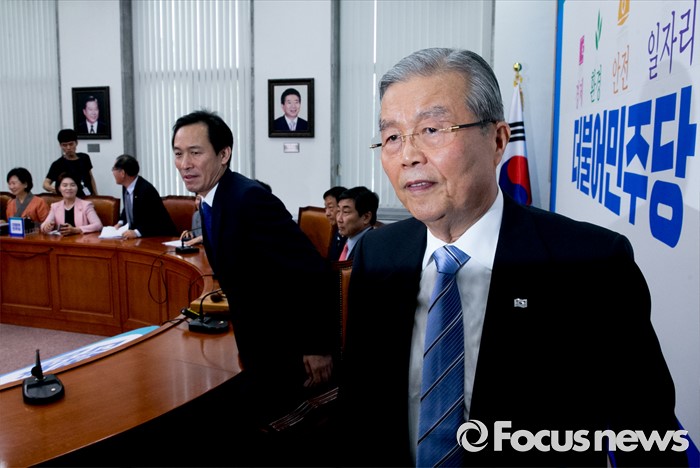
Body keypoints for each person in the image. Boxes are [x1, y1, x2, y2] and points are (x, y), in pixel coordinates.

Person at [339, 48, 687, 467]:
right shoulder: (379, 254)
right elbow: (360, 408)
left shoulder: (592, 264)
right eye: (392, 137)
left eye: (431, 129)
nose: (408, 155)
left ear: (498, 140)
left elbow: (648, 437)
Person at [172, 110, 338, 462]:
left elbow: (311, 272)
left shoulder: (248, 199)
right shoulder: (213, 200)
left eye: (195, 152)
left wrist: (317, 346)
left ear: (223, 154)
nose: (185, 163)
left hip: (288, 345)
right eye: (178, 153)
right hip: (258, 342)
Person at [111, 154, 177, 239]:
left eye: (114, 169)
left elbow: (153, 219)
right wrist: (120, 222)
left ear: (122, 173)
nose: (113, 172)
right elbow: (128, 207)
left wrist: (136, 232)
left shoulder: (146, 190)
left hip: (160, 237)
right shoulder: (126, 186)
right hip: (142, 237)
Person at [43, 129, 98, 197]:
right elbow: (45, 184)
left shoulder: (85, 158)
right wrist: (58, 190)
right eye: (64, 145)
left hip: (88, 197)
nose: (68, 148)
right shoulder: (58, 164)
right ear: (60, 145)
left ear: (76, 143)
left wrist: (96, 195)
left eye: (71, 144)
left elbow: (91, 177)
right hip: (70, 199)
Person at [335, 186, 378, 261]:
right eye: (338, 211)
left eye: (345, 212)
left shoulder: (372, 249)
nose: (339, 219)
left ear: (366, 217)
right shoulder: (343, 239)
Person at [323, 185, 347, 261]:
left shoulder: (350, 233)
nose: (327, 213)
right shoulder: (337, 231)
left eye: (330, 207)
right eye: (325, 208)